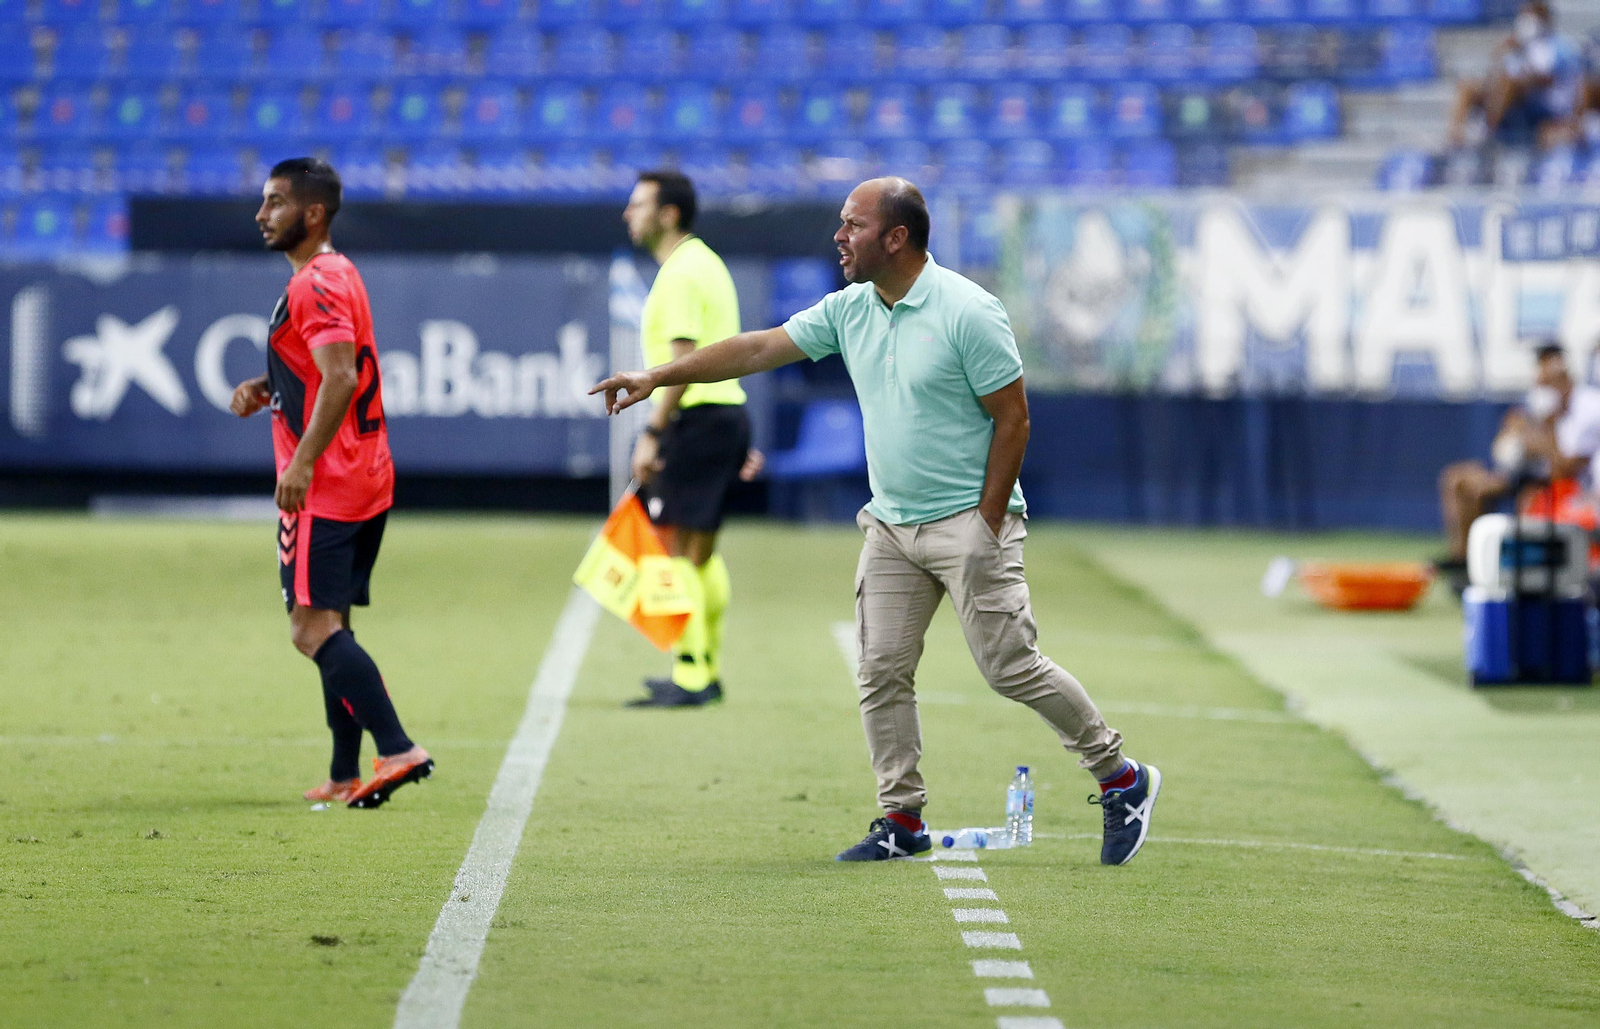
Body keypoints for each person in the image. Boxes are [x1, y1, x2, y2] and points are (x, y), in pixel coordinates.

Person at [593, 178, 1159, 865]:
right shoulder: (852, 308)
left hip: (968, 524)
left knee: (1010, 667)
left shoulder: (968, 310)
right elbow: (755, 348)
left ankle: (1120, 776)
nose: (838, 236)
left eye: (852, 225)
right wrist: (656, 377)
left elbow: (1014, 421)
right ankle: (902, 817)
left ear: (896, 238)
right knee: (881, 669)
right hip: (891, 526)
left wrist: (984, 526)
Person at [229, 157, 432, 809]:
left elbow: (342, 377)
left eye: (276, 202)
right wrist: (275, 387)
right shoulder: (338, 272)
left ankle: (398, 747)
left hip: (329, 482)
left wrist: (303, 461)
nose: (262, 214)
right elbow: (331, 367)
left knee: (309, 629)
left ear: (312, 213)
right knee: (333, 621)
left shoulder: (314, 282)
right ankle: (346, 769)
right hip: (368, 472)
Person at [620, 170, 762, 708]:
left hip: (698, 418)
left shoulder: (680, 273)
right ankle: (706, 667)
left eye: (638, 205)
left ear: (669, 213)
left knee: (675, 546)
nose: (627, 214)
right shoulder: (705, 263)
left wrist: (653, 432)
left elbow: (681, 364)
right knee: (700, 553)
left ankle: (690, 676)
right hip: (722, 415)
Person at [1437, 341, 1600, 578]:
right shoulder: (1538, 400)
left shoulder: (1589, 408)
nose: (1542, 384)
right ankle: (1463, 558)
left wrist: (1542, 434)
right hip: (1526, 470)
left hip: (1562, 485)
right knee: (1459, 479)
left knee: (1511, 496)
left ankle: (1482, 565)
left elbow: (1564, 470)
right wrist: (1514, 434)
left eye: (1548, 379)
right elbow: (1503, 449)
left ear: (1565, 378)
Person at [1447, 1, 1583, 149]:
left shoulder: (1559, 46)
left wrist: (1522, 67)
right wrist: (1502, 52)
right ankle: (1455, 138)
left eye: (1531, 16)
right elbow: (1495, 75)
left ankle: (1488, 131)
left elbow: (1545, 80)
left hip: (1547, 104)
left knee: (1509, 84)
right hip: (1516, 101)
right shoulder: (1517, 44)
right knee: (1468, 87)